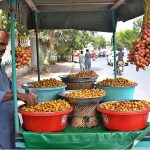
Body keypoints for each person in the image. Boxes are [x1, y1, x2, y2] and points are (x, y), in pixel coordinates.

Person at [0, 29, 38, 149]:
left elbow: (9, 87)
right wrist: (20, 96)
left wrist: (23, 96)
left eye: (5, 45)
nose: (3, 48)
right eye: (0, 44)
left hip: (9, 123)